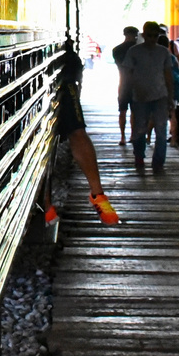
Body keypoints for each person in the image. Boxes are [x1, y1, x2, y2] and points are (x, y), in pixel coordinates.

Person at [57, 38, 120, 224]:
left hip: (65, 78)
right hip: (64, 75)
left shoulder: (68, 64)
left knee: (77, 132)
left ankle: (97, 195)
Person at [120, 21, 178, 171]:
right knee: (139, 130)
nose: (152, 39)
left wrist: (171, 96)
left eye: (155, 36)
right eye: (150, 35)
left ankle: (158, 162)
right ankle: (139, 156)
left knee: (161, 129)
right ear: (144, 35)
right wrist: (126, 92)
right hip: (139, 95)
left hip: (160, 95)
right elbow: (127, 74)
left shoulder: (164, 52)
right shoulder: (134, 51)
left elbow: (168, 75)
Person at [112, 26, 139, 145]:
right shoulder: (139, 49)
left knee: (122, 110)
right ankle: (133, 135)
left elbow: (121, 65)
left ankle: (122, 136)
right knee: (134, 111)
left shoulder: (116, 50)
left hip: (123, 83)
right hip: (137, 83)